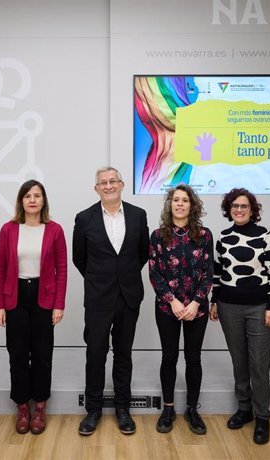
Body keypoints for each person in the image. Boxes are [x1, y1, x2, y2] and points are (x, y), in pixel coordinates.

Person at [72, 166, 149, 436]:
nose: (108, 186)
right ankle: (92, 411)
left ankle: (122, 409)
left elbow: (142, 255)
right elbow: (79, 258)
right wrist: (100, 279)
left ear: (122, 184)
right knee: (95, 355)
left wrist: (122, 277)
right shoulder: (84, 219)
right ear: (96, 188)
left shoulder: (139, 216)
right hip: (98, 298)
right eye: (102, 183)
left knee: (123, 354)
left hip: (128, 297)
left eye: (112, 181)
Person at [209, 188, 270, 445]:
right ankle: (245, 409)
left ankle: (262, 416)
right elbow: (217, 273)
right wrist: (214, 301)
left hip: (259, 308)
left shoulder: (265, 235)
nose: (239, 210)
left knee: (259, 366)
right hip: (228, 307)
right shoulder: (223, 237)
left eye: (244, 206)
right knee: (239, 362)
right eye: (234, 206)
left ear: (252, 210)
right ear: (229, 210)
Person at [0, 179, 68, 435]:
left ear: (43, 200)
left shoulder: (55, 230)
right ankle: (22, 406)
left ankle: (39, 407)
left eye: (37, 195)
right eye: (28, 196)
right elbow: (1, 268)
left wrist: (59, 304)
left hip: (43, 297)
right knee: (17, 354)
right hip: (14, 296)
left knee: (42, 354)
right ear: (21, 201)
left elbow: (62, 269)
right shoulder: (8, 229)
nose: (32, 200)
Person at [148, 184, 213, 435]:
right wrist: (172, 301)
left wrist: (196, 301)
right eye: (176, 200)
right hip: (168, 308)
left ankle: (192, 410)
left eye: (185, 200)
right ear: (170, 204)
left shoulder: (205, 235)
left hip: (197, 307)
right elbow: (154, 272)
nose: (180, 204)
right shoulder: (158, 235)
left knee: (193, 358)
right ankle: (168, 408)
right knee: (169, 357)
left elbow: (209, 273)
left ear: (191, 205)